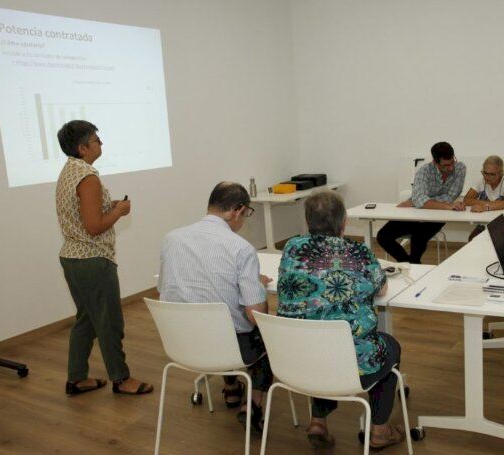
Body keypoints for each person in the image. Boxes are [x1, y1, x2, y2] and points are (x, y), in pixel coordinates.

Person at [277, 191, 405, 450]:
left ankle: (318, 422)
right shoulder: (358, 252)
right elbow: (381, 288)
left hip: (297, 360)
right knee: (390, 349)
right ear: (344, 221)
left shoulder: (292, 248)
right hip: (349, 364)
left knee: (317, 338)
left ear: (308, 221)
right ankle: (380, 431)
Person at [158, 182, 273, 432]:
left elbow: (164, 290)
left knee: (216, 317)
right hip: (228, 345)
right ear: (237, 211)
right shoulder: (241, 248)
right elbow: (257, 315)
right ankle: (252, 405)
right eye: (247, 214)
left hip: (182, 342)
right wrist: (256, 285)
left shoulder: (171, 239)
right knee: (261, 335)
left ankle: (231, 388)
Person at [56, 120, 153, 396]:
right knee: (109, 322)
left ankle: (76, 378)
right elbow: (94, 226)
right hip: (92, 260)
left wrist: (109, 206)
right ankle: (121, 379)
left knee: (87, 320)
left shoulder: (69, 171)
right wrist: (119, 211)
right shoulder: (88, 178)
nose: (101, 144)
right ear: (82, 147)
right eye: (96, 140)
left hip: (73, 258)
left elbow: (84, 213)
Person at [377, 141, 466, 263]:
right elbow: (421, 200)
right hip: (416, 213)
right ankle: (408, 264)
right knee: (383, 236)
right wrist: (421, 201)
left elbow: (450, 196)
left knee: (418, 238)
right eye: (445, 165)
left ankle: (412, 265)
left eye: (452, 162)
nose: (450, 168)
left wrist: (419, 201)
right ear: (435, 162)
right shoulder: (424, 171)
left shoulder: (460, 168)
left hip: (438, 215)